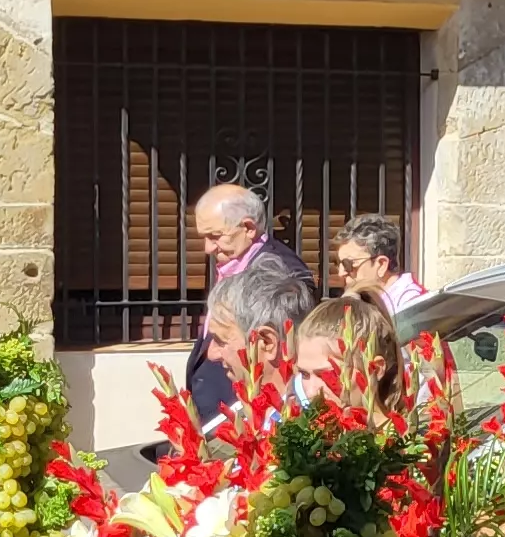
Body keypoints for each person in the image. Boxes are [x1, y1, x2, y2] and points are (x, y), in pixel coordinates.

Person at [177, 181, 314, 428]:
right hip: (223, 413)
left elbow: (281, 356)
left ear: (248, 228)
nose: (207, 248)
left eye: (214, 236)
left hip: (250, 415)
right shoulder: (233, 261)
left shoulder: (283, 275)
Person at [289, 296, 407, 408]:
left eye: (328, 375)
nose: (311, 392)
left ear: (375, 369)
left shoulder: (411, 428)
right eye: (304, 374)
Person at [332, 211, 429, 318]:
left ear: (381, 265)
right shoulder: (366, 298)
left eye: (348, 264)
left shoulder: (410, 307)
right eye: (338, 263)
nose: (341, 273)